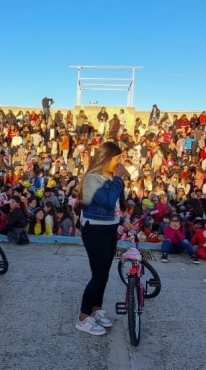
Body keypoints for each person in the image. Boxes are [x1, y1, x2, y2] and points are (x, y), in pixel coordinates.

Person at [75, 141, 126, 336]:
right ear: (106, 158)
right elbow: (106, 202)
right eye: (116, 158)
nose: (119, 162)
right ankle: (82, 317)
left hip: (109, 228)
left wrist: (121, 220)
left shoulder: (109, 177)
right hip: (95, 230)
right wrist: (119, 179)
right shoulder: (92, 178)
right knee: (98, 275)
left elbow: (113, 208)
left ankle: (96, 309)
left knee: (104, 273)